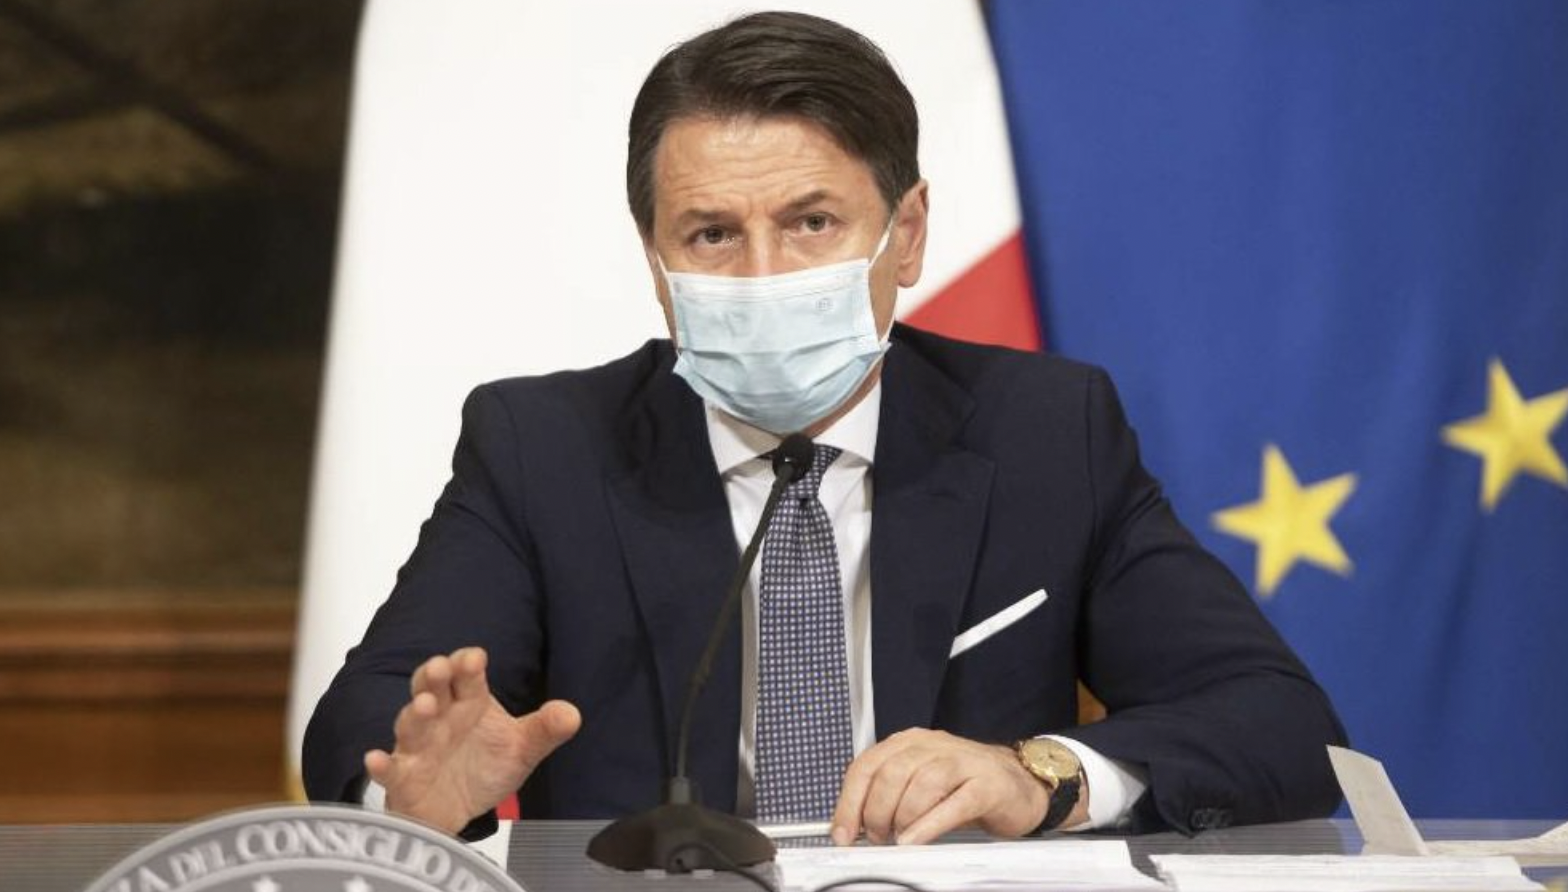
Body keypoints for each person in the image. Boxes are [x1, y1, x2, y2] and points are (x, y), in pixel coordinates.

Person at [303, 11, 1346, 844]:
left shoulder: (1042, 432)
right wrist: (410, 794)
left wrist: (1037, 773)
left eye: (811, 223)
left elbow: (1278, 722)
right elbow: (370, 715)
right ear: (655, 261)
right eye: (711, 234)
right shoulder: (546, 445)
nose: (764, 275)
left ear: (906, 234)